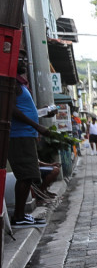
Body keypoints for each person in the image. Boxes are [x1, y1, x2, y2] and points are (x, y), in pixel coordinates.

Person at [9, 60, 50, 228]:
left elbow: (25, 109)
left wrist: (43, 112)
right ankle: (19, 216)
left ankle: (21, 215)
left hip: (26, 134)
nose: (24, 61)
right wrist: (37, 126)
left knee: (29, 175)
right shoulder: (12, 83)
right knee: (25, 176)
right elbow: (12, 110)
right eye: (20, 58)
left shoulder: (20, 83)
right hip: (19, 135)